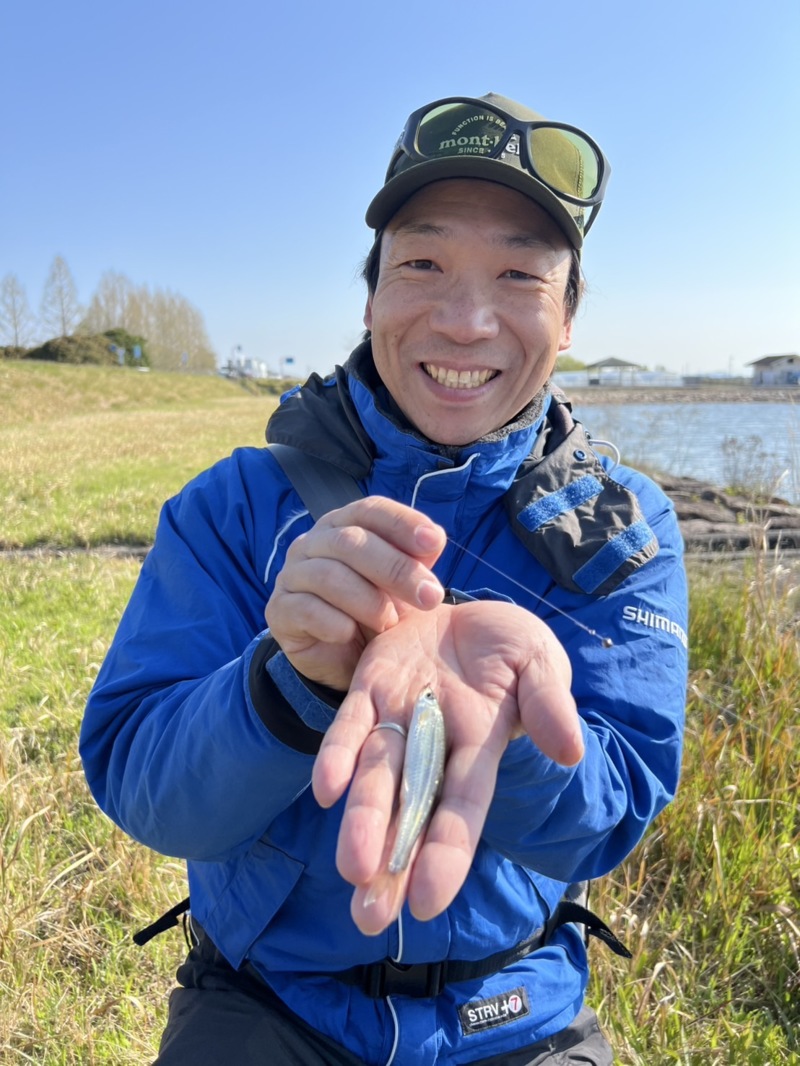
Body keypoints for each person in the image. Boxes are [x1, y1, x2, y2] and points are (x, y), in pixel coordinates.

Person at [80, 92, 688, 1065]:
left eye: (519, 276)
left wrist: (517, 730)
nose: (464, 320)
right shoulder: (231, 507)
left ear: (567, 315)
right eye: (421, 263)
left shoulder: (622, 528)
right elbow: (144, 789)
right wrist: (286, 686)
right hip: (270, 1002)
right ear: (368, 298)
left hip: (518, 1009)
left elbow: (607, 820)